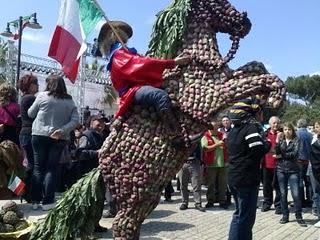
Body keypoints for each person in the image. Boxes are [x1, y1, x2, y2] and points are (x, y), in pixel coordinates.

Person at [96, 21, 191, 142]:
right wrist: (172, 63)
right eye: (123, 34)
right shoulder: (118, 55)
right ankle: (174, 135)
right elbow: (142, 65)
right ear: (115, 35)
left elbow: (143, 61)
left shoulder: (125, 52)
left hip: (139, 86)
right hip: (131, 90)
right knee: (159, 96)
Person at [28, 75, 79, 211]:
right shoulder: (70, 101)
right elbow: (75, 121)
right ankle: (48, 201)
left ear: (49, 84)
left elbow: (30, 113)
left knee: (38, 168)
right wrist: (62, 130)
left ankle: (35, 200)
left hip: (39, 134)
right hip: (59, 137)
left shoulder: (42, 95)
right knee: (52, 168)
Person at [227, 97, 271, 240]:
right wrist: (268, 143)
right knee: (245, 217)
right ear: (254, 113)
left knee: (239, 214)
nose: (262, 116)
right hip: (246, 178)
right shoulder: (250, 127)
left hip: (234, 177)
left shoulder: (233, 130)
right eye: (261, 113)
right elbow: (257, 150)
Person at [275, 122, 307, 226]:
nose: (287, 131)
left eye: (289, 129)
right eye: (285, 129)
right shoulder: (281, 140)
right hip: (281, 170)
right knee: (283, 194)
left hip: (293, 170)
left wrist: (281, 156)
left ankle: (299, 216)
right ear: (283, 131)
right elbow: (276, 152)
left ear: (292, 130)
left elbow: (295, 154)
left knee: (296, 194)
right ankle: (285, 215)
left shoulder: (297, 140)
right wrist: (276, 141)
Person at [18, 74, 39, 202]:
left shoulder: (24, 98)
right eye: (35, 83)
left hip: (25, 132)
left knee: (27, 164)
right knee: (31, 165)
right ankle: (27, 193)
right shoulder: (30, 98)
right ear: (29, 85)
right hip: (30, 132)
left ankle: (21, 191)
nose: (37, 86)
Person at [202, 119, 228, 209]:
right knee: (210, 184)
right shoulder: (205, 136)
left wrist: (226, 140)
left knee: (223, 184)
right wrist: (217, 144)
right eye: (214, 127)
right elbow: (206, 149)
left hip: (223, 164)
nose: (216, 129)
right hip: (211, 164)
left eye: (217, 126)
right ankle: (210, 201)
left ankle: (222, 201)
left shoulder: (222, 135)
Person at [261, 116, 282, 214]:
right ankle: (267, 203)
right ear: (270, 124)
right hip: (266, 164)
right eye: (274, 123)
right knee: (266, 185)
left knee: (278, 186)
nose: (276, 125)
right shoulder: (264, 134)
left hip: (279, 164)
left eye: (277, 123)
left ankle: (278, 205)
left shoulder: (282, 134)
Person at [178, 142, 205, 212]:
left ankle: (198, 203)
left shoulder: (196, 137)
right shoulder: (181, 137)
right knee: (183, 184)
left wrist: (200, 161)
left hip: (194, 162)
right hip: (183, 162)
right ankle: (184, 202)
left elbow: (200, 150)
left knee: (196, 184)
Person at [296, 118, 313, 208]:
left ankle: (301, 201)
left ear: (298, 124)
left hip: (299, 161)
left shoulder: (296, 134)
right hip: (309, 160)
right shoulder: (310, 135)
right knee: (308, 181)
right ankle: (310, 200)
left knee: (299, 181)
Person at [309, 121, 320, 227]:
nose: (315, 128)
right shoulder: (313, 138)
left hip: (317, 169)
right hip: (312, 168)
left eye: (317, 126)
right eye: (315, 126)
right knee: (316, 193)